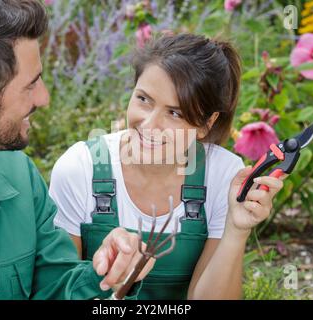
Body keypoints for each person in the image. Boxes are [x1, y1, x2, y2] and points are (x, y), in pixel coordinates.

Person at [0, 0, 153, 300]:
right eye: (31, 84)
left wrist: (107, 276)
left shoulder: (20, 177)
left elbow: (54, 288)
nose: (44, 99)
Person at [49, 33, 285, 300]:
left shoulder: (221, 174)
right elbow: (57, 289)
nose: (149, 125)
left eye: (175, 113)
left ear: (206, 124)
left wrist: (237, 229)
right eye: (143, 99)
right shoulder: (81, 167)